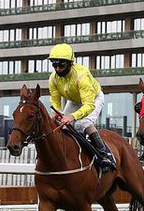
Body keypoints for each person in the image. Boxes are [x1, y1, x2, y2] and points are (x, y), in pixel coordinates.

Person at [45, 43, 115, 172]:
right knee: (62, 125)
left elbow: (89, 105)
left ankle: (105, 154)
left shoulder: (82, 76)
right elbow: (55, 102)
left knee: (83, 123)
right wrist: (57, 114)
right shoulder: (53, 79)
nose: (58, 69)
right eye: (55, 65)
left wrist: (72, 117)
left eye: (61, 65)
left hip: (93, 99)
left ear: (70, 63)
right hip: (74, 101)